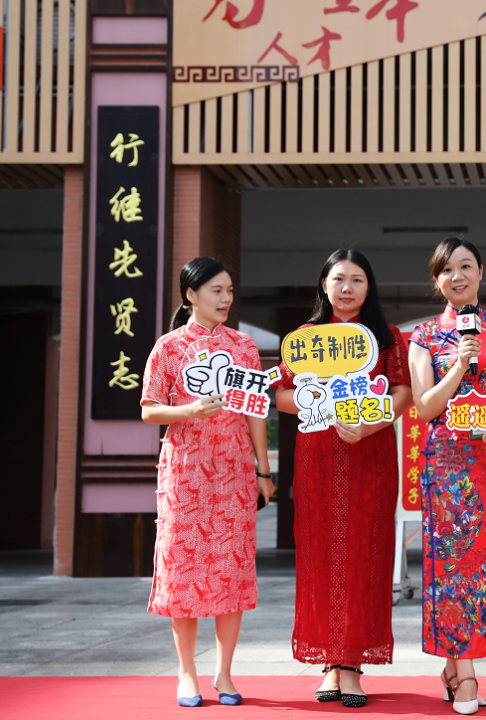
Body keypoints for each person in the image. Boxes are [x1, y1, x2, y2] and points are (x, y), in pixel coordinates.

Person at [274, 249, 412, 709]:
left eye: (357, 279)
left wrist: (371, 424)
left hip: (370, 455)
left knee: (365, 555)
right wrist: (316, 398)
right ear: (324, 285)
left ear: (369, 287)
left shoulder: (386, 336)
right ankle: (330, 662)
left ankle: (352, 663)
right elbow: (282, 396)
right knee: (321, 556)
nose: (347, 287)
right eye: (338, 279)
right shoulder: (304, 338)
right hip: (318, 458)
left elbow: (403, 392)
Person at [141, 256, 274, 708]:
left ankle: (225, 672)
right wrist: (190, 410)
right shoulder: (168, 347)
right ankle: (186, 672)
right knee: (183, 570)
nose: (225, 298)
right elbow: (149, 409)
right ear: (190, 295)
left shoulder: (244, 347)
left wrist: (263, 470)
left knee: (231, 569)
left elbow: (256, 413)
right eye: (216, 290)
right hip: (185, 473)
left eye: (229, 290)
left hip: (234, 473)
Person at [408, 238, 486, 716]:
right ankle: (468, 673)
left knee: (482, 565)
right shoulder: (424, 336)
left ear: (481, 272)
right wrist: (459, 363)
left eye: (466, 266)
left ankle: (455, 665)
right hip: (446, 466)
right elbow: (425, 407)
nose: (457, 276)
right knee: (448, 566)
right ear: (436, 280)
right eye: (447, 270)